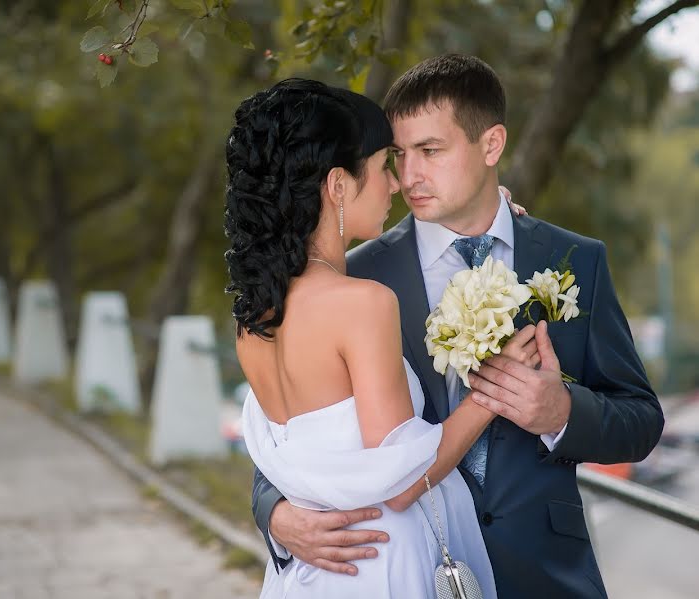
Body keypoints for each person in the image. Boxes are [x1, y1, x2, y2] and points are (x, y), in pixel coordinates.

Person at [251, 55, 664, 598]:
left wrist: (563, 412)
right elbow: (296, 428)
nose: (408, 176)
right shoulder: (357, 275)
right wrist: (274, 513)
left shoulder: (573, 259)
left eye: (431, 151)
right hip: (405, 567)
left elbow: (641, 419)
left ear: (491, 145)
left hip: (543, 574)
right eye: (398, 156)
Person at [226, 78, 532, 598]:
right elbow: (404, 480)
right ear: (338, 185)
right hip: (381, 563)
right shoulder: (362, 304)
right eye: (382, 165)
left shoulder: (255, 316)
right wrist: (489, 397)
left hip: (309, 574)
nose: (396, 184)